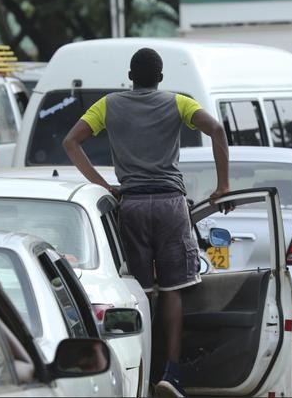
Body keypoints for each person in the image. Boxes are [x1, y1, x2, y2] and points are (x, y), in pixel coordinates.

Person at [62, 47, 230, 398]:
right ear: (161, 77)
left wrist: (101, 184)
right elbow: (216, 129)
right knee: (172, 290)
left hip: (132, 204)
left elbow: (71, 142)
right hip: (170, 204)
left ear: (130, 76)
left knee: (140, 294)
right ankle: (173, 374)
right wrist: (223, 184)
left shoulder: (108, 105)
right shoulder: (178, 103)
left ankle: (144, 374)